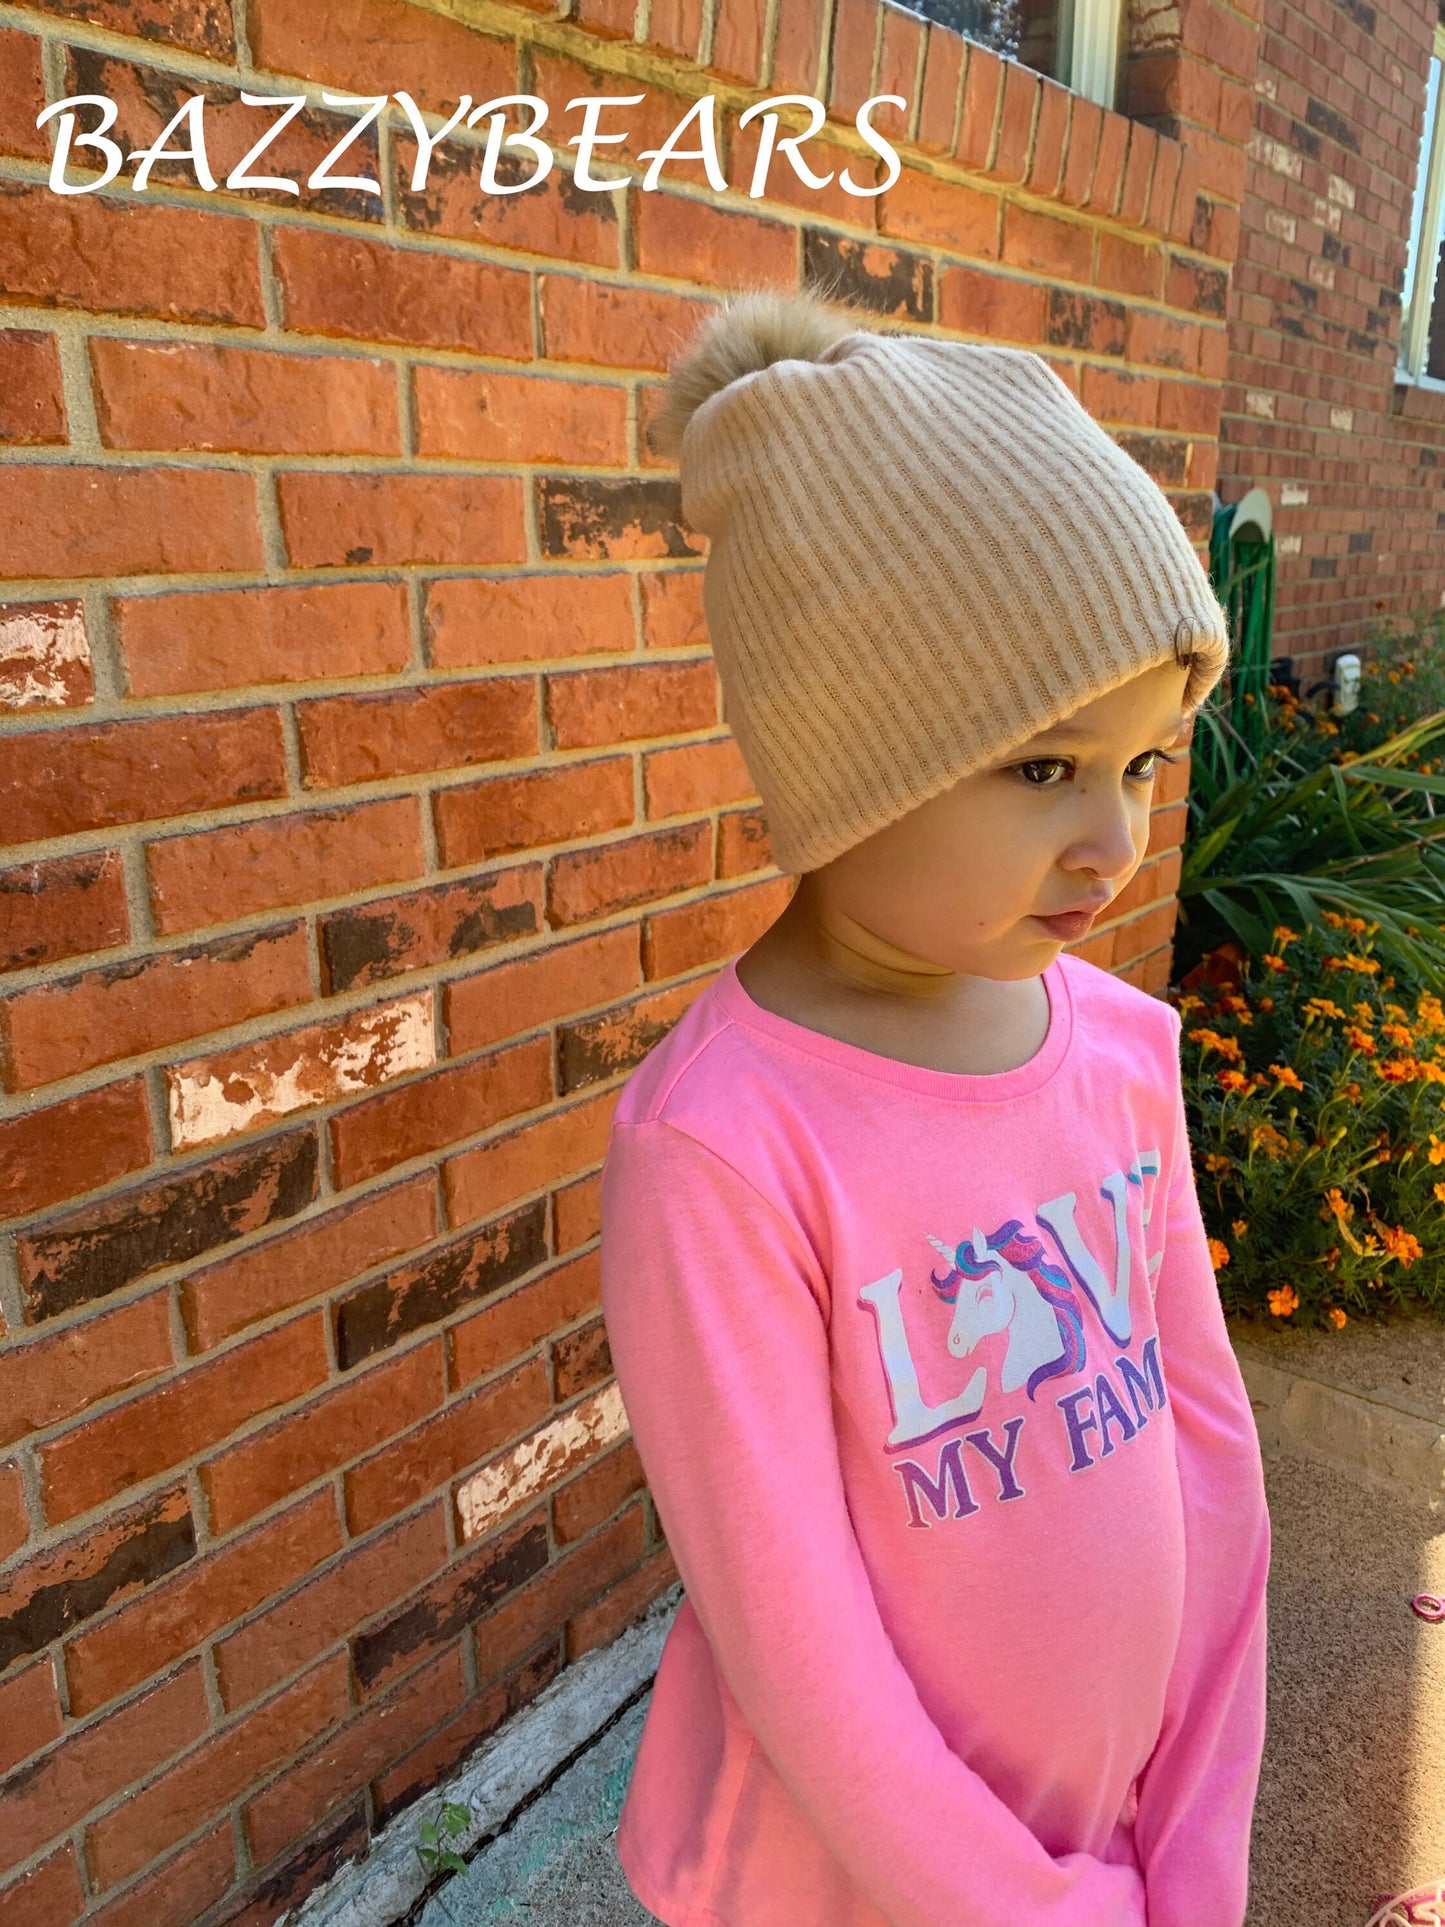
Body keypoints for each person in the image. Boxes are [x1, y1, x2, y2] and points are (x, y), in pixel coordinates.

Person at [597, 288, 1271, 1927]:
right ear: (848, 759)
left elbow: (1209, 1463)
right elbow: (793, 1641)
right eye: (1043, 768)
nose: (1113, 842)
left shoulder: (1119, 1052)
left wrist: (1191, 1849)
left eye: (1141, 763)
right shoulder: (723, 1148)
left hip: (1118, 1844)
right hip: (842, 1886)